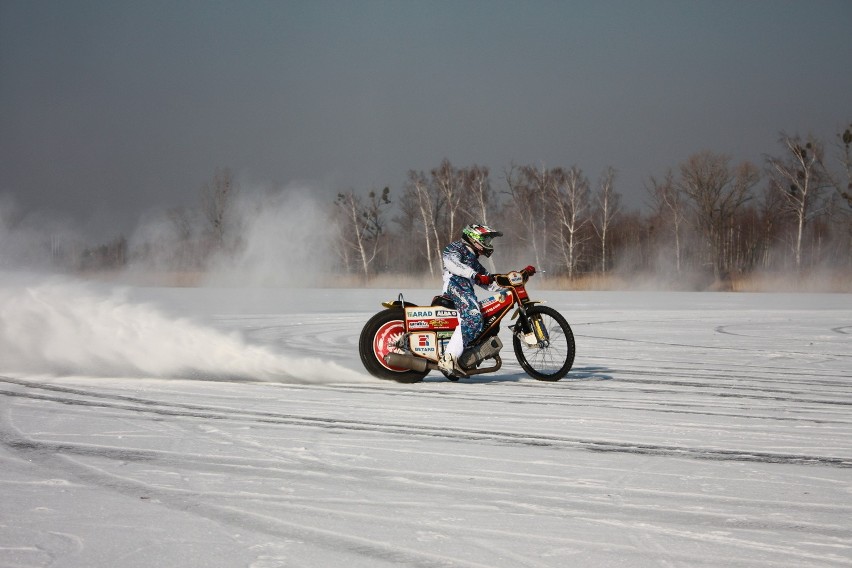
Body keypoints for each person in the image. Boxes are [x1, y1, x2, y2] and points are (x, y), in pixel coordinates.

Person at [437, 223, 504, 376]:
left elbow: (490, 283)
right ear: (474, 239)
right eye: (485, 240)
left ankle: (462, 356)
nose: (488, 244)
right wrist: (474, 275)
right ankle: (448, 359)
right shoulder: (456, 248)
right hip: (454, 284)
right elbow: (452, 264)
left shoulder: (474, 262)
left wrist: (515, 281)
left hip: (464, 288)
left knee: (480, 319)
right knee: (473, 317)